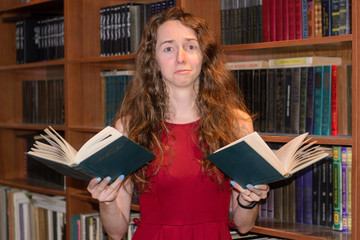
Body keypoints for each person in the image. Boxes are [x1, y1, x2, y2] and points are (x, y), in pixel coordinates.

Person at [87, 6, 269, 240]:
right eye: (169, 48)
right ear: (154, 59)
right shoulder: (128, 127)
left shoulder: (237, 124)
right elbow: (116, 231)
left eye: (190, 46)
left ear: (204, 55)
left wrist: (246, 201)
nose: (181, 57)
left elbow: (244, 226)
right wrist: (107, 201)